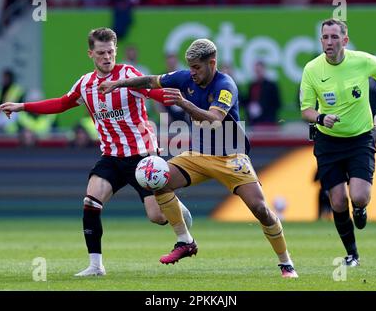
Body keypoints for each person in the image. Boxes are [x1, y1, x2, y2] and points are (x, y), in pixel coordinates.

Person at [0, 27, 192, 277]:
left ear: (115, 51)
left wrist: (180, 96)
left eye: (111, 51)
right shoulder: (85, 84)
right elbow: (60, 103)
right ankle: (96, 265)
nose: (107, 57)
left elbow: (154, 92)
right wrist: (23, 106)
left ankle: (174, 207)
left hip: (142, 157)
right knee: (90, 201)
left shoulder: (129, 75)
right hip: (111, 157)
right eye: (101, 53)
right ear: (91, 53)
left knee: (156, 217)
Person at [99, 38, 299, 278]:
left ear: (211, 63)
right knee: (157, 179)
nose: (192, 72)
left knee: (260, 209)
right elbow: (151, 80)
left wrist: (183, 103)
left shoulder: (226, 86)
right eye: (190, 67)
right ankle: (185, 241)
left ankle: (286, 262)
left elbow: (213, 119)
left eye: (197, 67)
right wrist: (119, 83)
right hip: (199, 155)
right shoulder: (186, 77)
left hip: (230, 156)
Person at [300, 19, 376, 266]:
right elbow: (306, 110)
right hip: (328, 142)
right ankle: (352, 254)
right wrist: (321, 117)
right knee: (338, 200)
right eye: (325, 37)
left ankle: (361, 209)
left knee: (359, 196)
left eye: (333, 37)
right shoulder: (312, 69)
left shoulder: (363, 61)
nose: (328, 42)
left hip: (360, 139)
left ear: (345, 40)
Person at [244, 60, 282, 126]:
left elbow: (277, 103)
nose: (258, 73)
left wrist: (261, 108)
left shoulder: (271, 85)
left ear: (264, 70)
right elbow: (249, 100)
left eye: (259, 70)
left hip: (268, 120)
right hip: (253, 120)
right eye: (256, 71)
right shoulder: (252, 85)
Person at [0, 68, 25, 134]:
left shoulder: (18, 90)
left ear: (11, 78)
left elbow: (19, 110)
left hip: (11, 127)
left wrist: (5, 123)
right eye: (3, 77)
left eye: (6, 77)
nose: (4, 79)